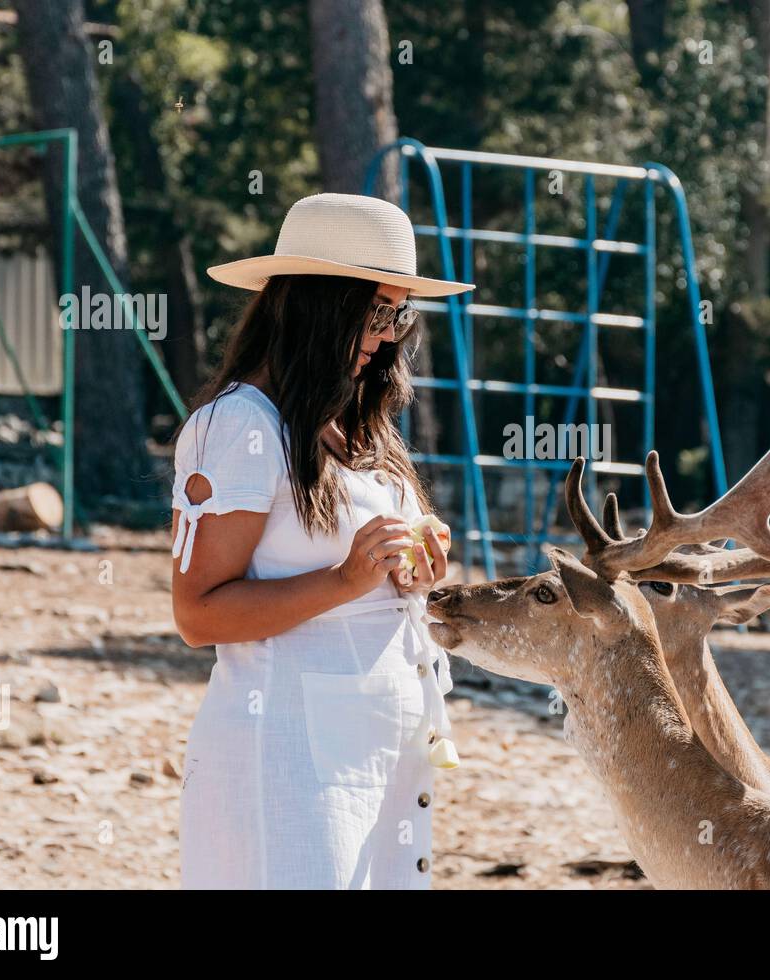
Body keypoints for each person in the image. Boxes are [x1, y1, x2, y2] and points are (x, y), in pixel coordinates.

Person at [170, 193, 475, 888]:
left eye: (400, 313)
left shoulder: (356, 423)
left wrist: (412, 571)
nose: (388, 334)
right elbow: (198, 613)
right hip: (289, 760)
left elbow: (364, 580)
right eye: (375, 312)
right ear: (316, 303)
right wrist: (343, 580)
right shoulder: (241, 426)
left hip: (377, 756)